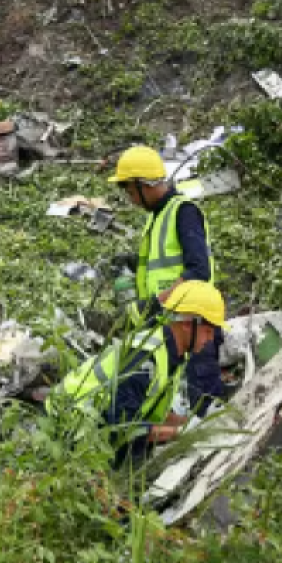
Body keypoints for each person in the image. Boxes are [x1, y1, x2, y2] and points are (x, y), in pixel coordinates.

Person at [52, 281, 226, 468]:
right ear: (187, 325)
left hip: (94, 421)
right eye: (208, 331)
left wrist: (191, 423)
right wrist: (179, 432)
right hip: (70, 425)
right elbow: (122, 426)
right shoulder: (146, 358)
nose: (209, 339)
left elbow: (145, 407)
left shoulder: (172, 353)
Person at [107, 145, 222, 413]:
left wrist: (158, 304)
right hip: (175, 322)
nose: (130, 197)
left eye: (130, 190)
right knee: (178, 396)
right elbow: (163, 264)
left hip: (193, 321)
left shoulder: (183, 211)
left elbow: (198, 271)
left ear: (143, 185)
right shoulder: (157, 218)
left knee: (202, 400)